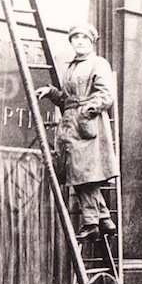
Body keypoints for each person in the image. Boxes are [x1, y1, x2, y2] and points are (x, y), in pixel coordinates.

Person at [36, 23, 119, 241]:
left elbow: (106, 94)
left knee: (83, 174)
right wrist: (52, 92)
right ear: (71, 41)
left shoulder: (98, 63)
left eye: (84, 37)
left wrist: (86, 111)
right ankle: (104, 219)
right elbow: (67, 99)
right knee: (81, 172)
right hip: (72, 125)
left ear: (91, 42)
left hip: (87, 126)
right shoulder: (72, 66)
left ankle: (91, 222)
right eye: (75, 37)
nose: (80, 41)